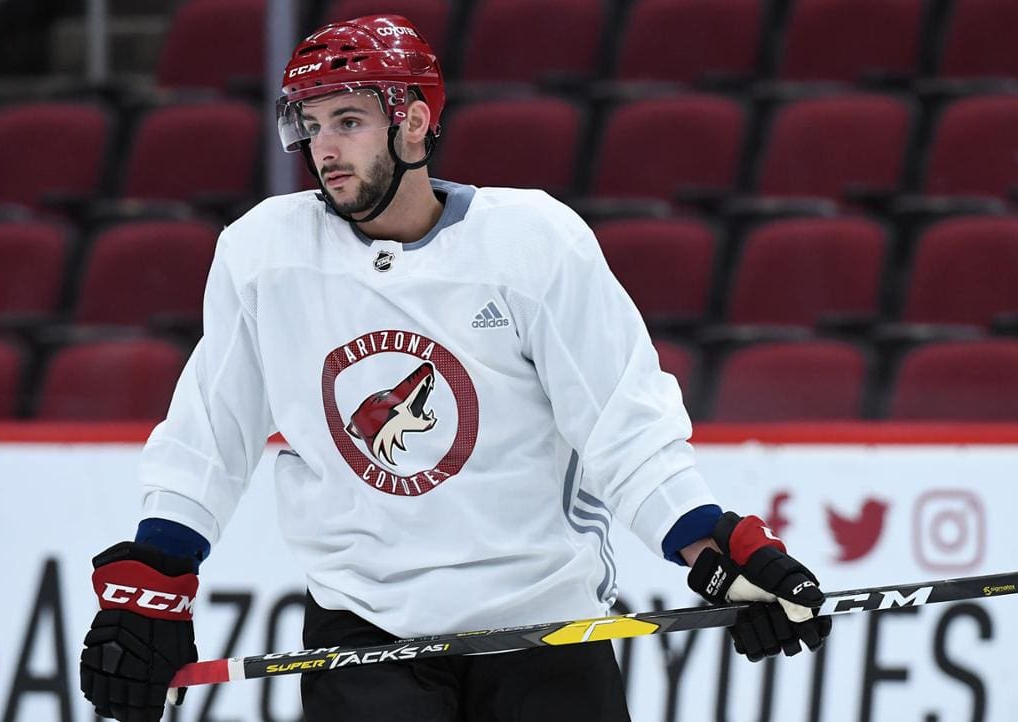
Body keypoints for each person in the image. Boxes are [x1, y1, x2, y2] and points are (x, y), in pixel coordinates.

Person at [79, 14, 831, 722]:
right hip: (363, 630)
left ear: (412, 121)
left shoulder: (534, 243)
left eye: (347, 121)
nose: (325, 149)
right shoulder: (265, 255)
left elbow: (623, 429)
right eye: (311, 127)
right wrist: (155, 578)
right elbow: (213, 432)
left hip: (543, 628)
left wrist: (715, 551)